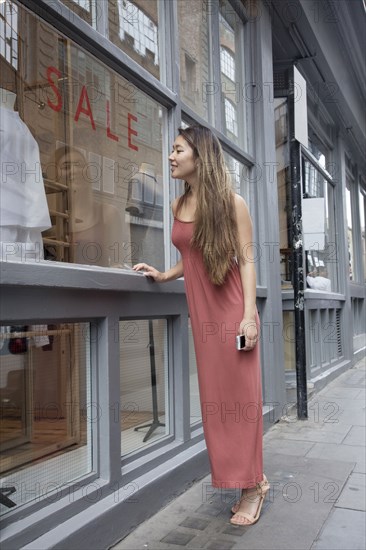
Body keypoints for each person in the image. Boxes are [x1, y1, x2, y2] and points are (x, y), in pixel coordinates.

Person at [133, 125, 270, 526]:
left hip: (231, 315)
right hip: (203, 321)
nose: (171, 157)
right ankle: (244, 479)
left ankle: (254, 486)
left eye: (178, 150)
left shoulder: (232, 203)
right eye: (172, 151)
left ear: (199, 155)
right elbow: (191, 257)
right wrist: (164, 275)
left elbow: (246, 260)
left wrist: (248, 316)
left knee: (241, 403)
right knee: (217, 407)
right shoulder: (179, 206)